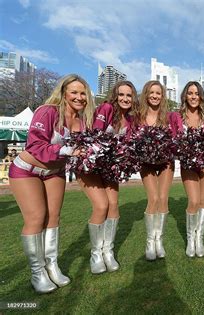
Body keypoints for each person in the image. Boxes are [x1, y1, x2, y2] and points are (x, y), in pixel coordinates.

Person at [9, 74, 94, 293]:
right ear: (64, 92)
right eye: (74, 92)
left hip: (54, 172)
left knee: (54, 217)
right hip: (27, 170)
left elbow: (80, 149)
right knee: (37, 217)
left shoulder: (82, 120)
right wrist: (66, 150)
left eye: (83, 93)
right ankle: (37, 273)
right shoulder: (47, 111)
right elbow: (35, 144)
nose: (79, 97)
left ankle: (52, 266)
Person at [77, 80, 138, 274]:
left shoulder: (129, 119)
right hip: (91, 166)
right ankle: (96, 254)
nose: (125, 98)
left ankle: (108, 252)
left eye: (129, 95)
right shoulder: (106, 108)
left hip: (110, 168)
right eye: (121, 95)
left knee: (113, 205)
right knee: (101, 206)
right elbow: (95, 135)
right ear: (115, 95)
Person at [170, 81, 204, 258]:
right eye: (190, 93)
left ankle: (199, 239)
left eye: (197, 93)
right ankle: (190, 239)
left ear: (201, 96)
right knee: (194, 200)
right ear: (185, 96)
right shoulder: (176, 116)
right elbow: (172, 139)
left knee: (203, 200)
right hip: (188, 164)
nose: (194, 96)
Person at [135, 81, 177, 260]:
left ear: (162, 96)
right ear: (146, 95)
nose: (154, 96)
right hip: (146, 164)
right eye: (151, 92)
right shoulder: (137, 117)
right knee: (153, 199)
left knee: (163, 198)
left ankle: (159, 240)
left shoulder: (169, 117)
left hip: (166, 162)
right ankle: (150, 242)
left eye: (158, 93)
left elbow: (176, 140)